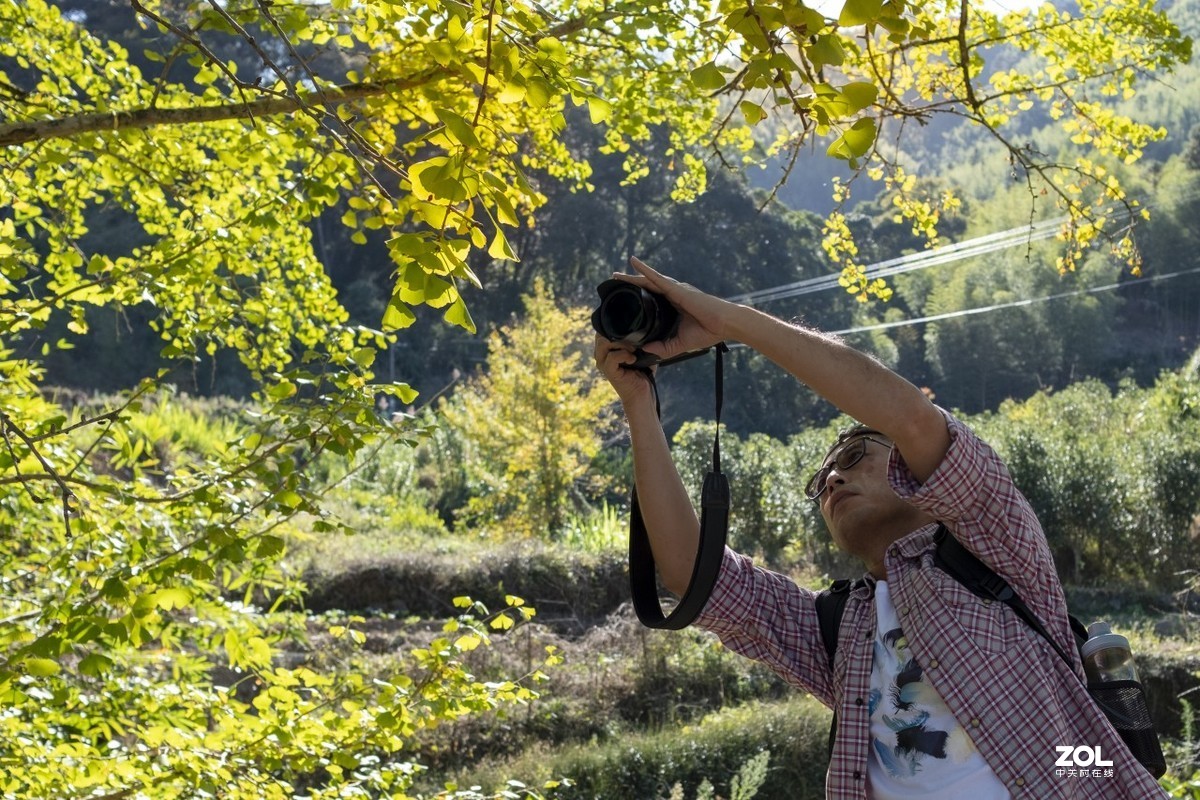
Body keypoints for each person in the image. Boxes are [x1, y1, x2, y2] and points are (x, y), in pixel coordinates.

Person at [593, 257, 1166, 800]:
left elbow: (910, 418)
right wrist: (639, 404)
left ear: (912, 470)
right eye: (822, 481)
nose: (834, 481)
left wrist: (728, 322)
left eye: (855, 455)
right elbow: (693, 575)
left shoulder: (994, 543)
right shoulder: (836, 629)